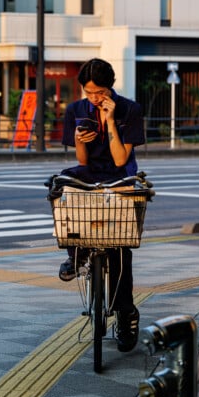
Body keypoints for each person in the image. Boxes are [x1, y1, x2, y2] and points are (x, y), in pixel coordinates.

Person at [57, 58, 145, 352]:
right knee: (61, 185)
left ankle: (125, 312)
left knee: (119, 244)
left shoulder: (130, 110)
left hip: (120, 174)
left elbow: (121, 159)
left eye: (100, 91)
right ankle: (75, 254)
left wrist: (109, 121)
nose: (94, 98)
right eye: (89, 92)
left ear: (111, 86)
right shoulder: (75, 110)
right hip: (91, 172)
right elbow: (82, 160)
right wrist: (78, 140)